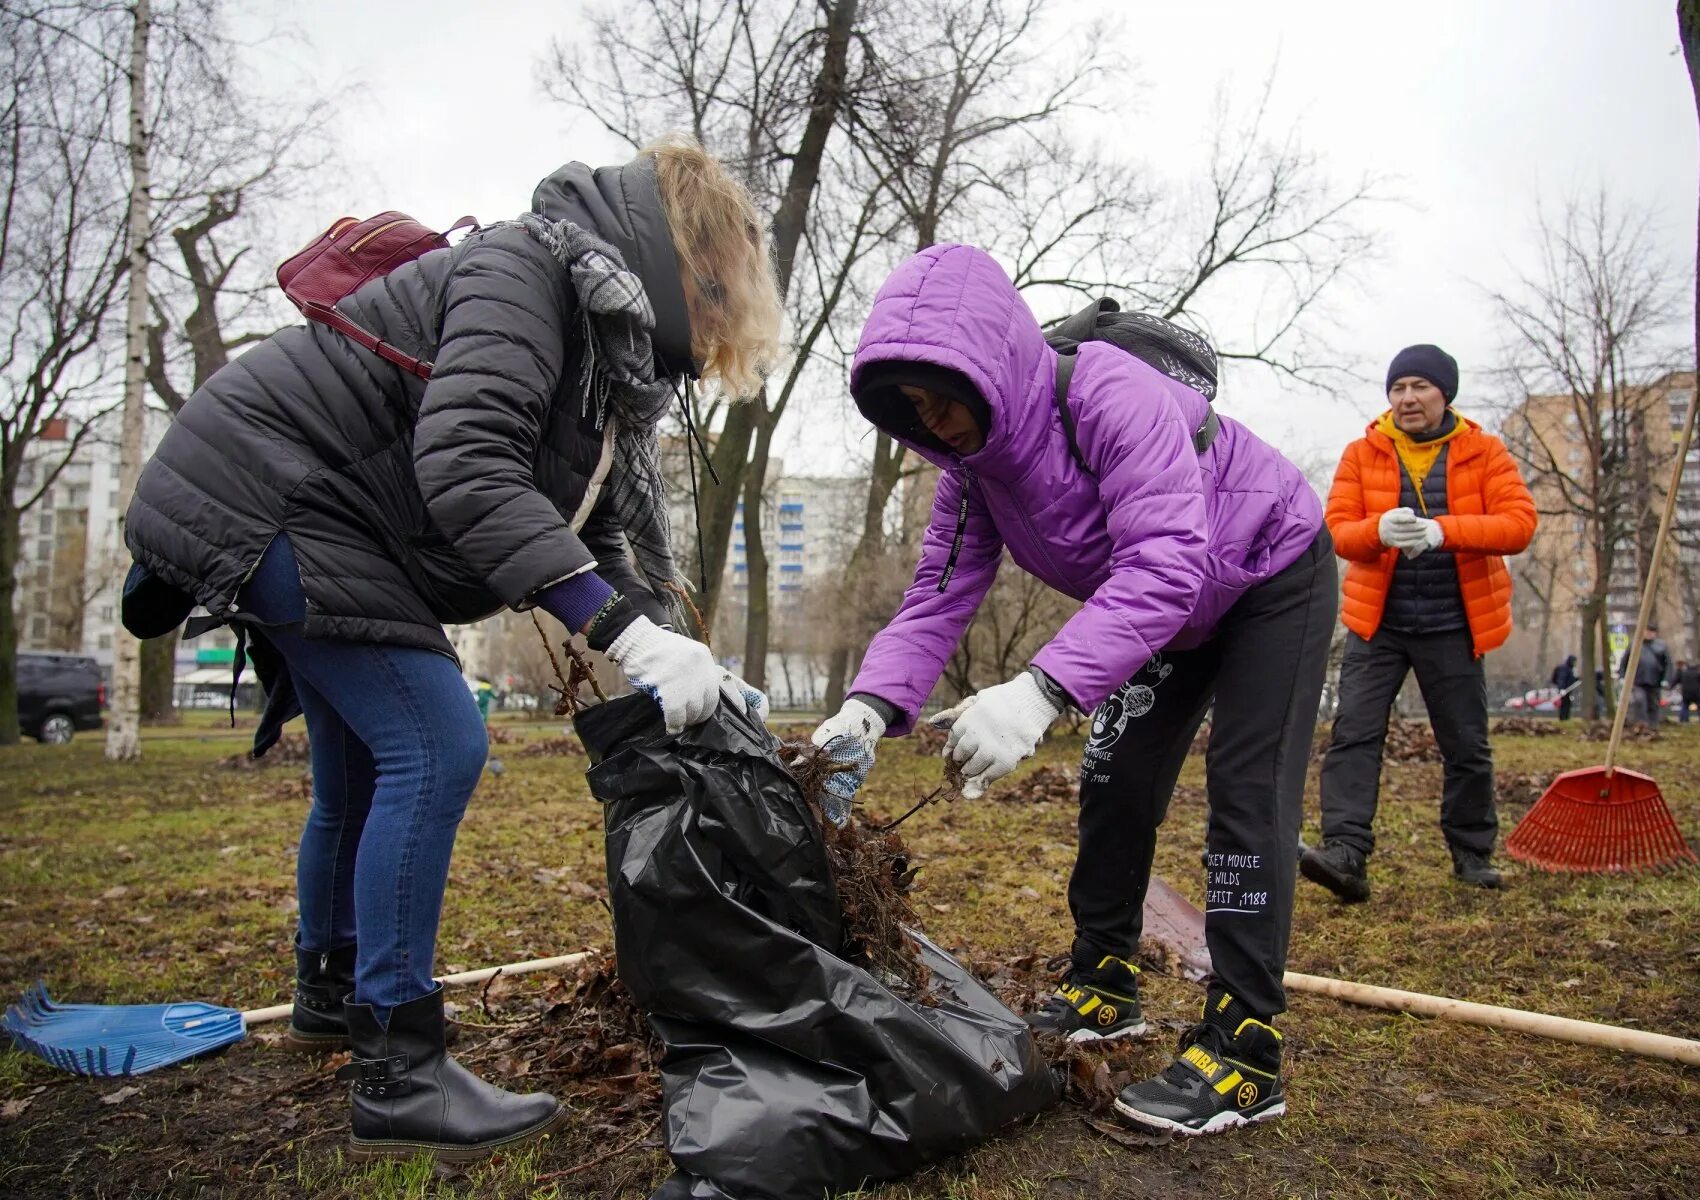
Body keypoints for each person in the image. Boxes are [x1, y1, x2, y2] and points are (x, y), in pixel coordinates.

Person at [120, 138, 782, 1163]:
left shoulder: (603, 367)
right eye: (710, 302)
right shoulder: (529, 273)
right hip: (281, 494)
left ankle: (332, 994)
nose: (704, 335)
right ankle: (399, 1073)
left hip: (324, 513)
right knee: (437, 747)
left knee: (356, 774)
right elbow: (469, 465)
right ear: (678, 256)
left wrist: (682, 649)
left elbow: (595, 528)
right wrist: (620, 631)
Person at [811, 244, 1335, 1138]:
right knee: (1115, 777)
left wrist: (1039, 691)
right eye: (911, 410)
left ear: (993, 365)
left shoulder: (1107, 394)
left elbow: (1168, 562)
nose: (934, 422)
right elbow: (937, 594)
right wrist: (866, 710)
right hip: (1174, 611)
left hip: (1268, 574)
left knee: (1245, 796)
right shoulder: (970, 477)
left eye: (942, 394)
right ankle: (1105, 979)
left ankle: (1246, 1050)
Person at [1300, 345, 1537, 902]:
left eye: (1419, 387)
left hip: (1454, 622)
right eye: (1398, 388)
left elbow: (1519, 524)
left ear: (1444, 393)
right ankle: (1345, 852)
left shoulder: (1484, 452)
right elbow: (1336, 529)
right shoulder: (1363, 452)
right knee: (1354, 735)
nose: (1407, 398)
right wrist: (1377, 530)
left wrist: (1444, 531)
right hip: (1376, 623)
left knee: (1466, 744)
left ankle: (1472, 852)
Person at [1621, 623, 1672, 729]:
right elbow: (1624, 662)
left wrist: (1666, 679)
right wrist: (1623, 677)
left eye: (1651, 632)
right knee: (1640, 701)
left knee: (1653, 704)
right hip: (1638, 680)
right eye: (1647, 631)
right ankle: (1641, 723)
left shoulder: (1661, 646)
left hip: (1655, 680)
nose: (1649, 634)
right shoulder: (1634, 645)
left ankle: (1653, 726)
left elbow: (1668, 664)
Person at [1675, 659, 1700, 724]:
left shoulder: (1684, 673)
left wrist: (1670, 687)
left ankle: (1684, 720)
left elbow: (1677, 680)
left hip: (1686, 693)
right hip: (1697, 693)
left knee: (1685, 707)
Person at [1551, 654, 1578, 721]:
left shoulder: (1570, 669)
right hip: (1564, 690)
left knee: (1567, 703)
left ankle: (1566, 717)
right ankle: (1563, 718)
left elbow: (1571, 679)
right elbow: (1561, 679)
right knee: (1564, 704)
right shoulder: (1564, 668)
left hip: (1568, 690)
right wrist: (1562, 689)